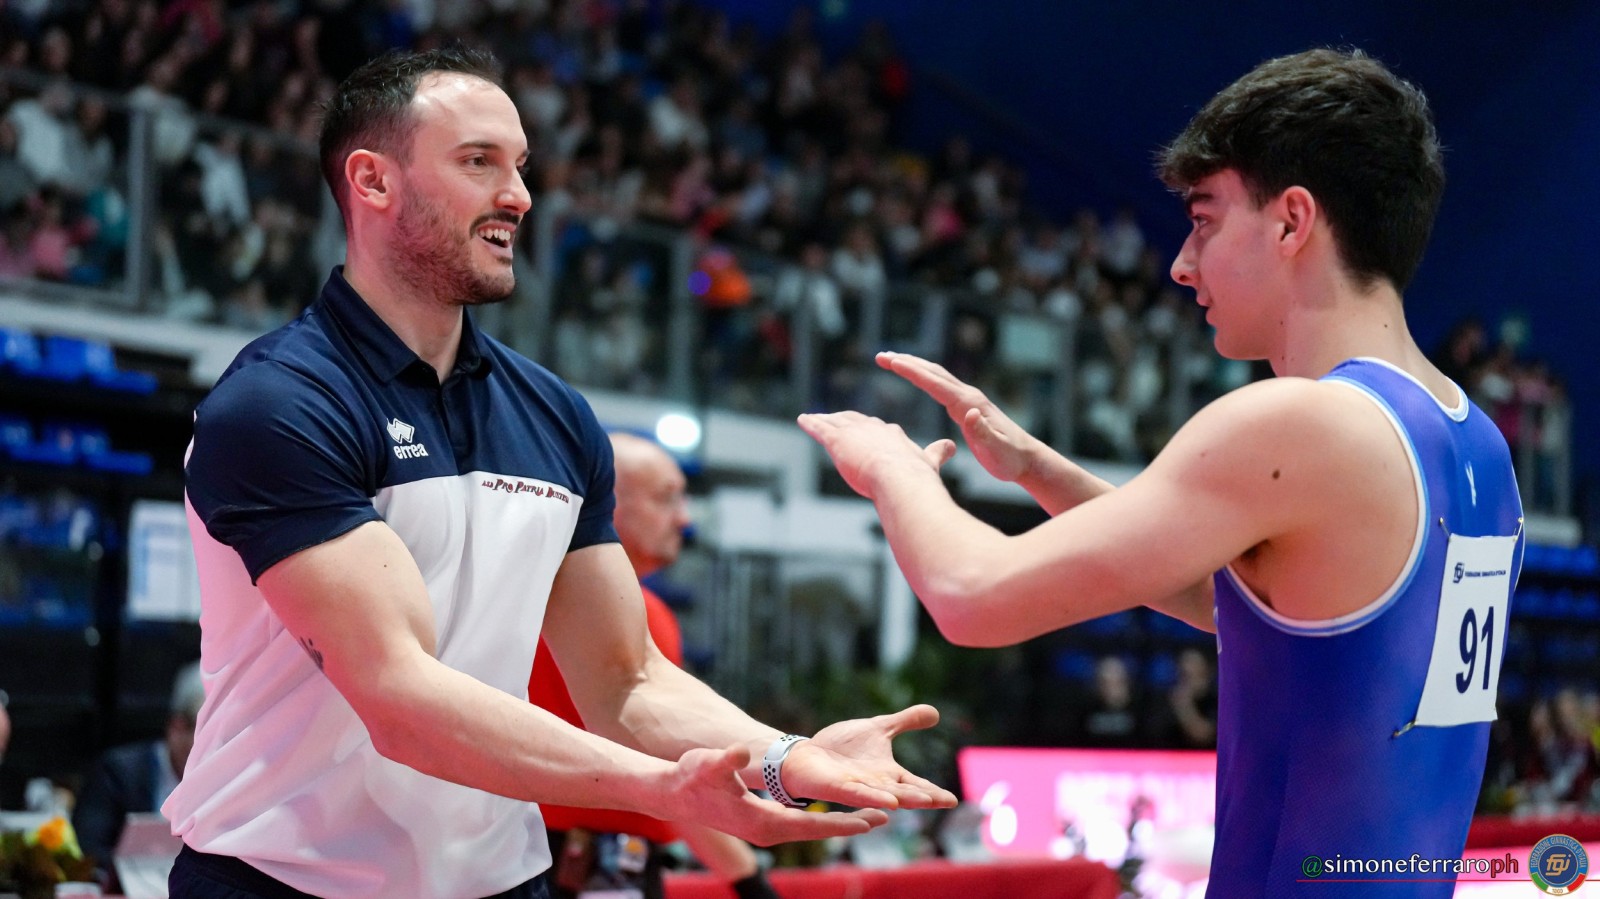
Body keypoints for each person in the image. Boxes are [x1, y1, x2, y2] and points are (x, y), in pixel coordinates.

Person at [167, 46, 953, 899]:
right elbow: (400, 698)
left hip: (506, 880)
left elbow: (628, 681)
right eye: (479, 162)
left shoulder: (554, 413)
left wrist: (785, 757)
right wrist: (661, 788)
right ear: (373, 181)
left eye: (520, 165)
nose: (519, 194)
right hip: (280, 879)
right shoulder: (276, 404)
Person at [798, 48, 1523, 897]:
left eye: (1205, 220)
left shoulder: (1298, 423)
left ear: (1292, 221)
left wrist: (894, 468)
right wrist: (1036, 468)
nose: (1182, 262)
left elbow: (969, 593)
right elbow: (1260, 612)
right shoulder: (1478, 445)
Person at [530, 432, 779, 899]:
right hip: (583, 865)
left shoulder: (538, 596)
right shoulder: (632, 612)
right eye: (665, 499)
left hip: (564, 860)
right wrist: (751, 883)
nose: (684, 519)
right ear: (603, 498)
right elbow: (674, 769)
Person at [73, 661, 203, 891]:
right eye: (208, 734)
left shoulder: (228, 783)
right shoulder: (118, 772)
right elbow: (88, 848)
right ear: (177, 727)